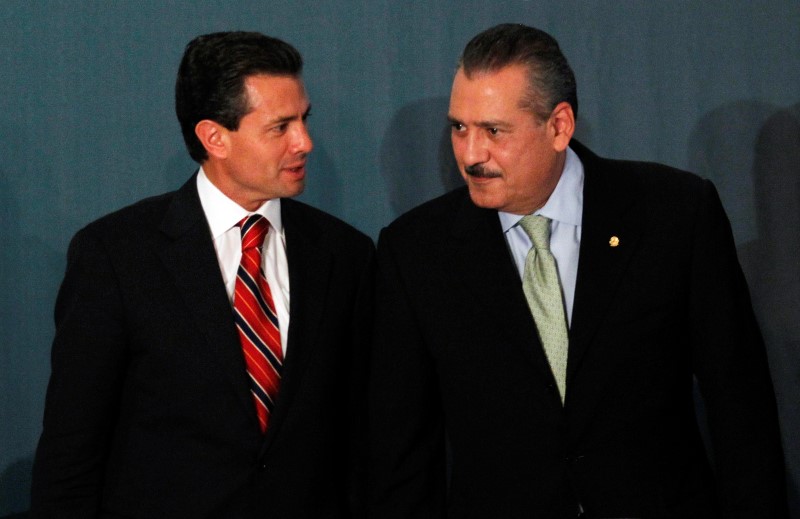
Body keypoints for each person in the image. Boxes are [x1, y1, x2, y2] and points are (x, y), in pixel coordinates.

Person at [368, 23, 787, 518]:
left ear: (559, 126)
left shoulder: (674, 215)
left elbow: (740, 405)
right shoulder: (416, 252)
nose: (470, 154)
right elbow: (403, 453)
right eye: (459, 127)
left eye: (493, 131)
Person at [31, 31, 374, 518]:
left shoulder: (346, 255)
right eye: (281, 127)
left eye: (304, 119)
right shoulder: (115, 255)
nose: (306, 142)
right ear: (215, 137)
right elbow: (73, 445)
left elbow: (361, 433)